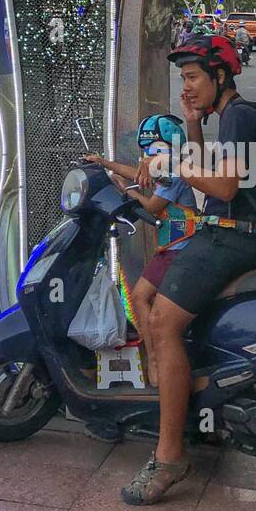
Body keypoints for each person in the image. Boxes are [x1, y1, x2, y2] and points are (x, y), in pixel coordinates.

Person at [109, 34, 256, 506]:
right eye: (184, 78)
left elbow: (221, 187)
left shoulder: (240, 116)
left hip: (233, 237)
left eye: (193, 78)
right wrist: (190, 124)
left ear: (220, 76)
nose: (187, 86)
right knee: (166, 310)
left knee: (160, 320)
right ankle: (194, 407)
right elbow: (208, 168)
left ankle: (169, 454)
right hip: (225, 231)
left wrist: (174, 161)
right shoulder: (230, 116)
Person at [83, 114, 199, 389]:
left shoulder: (175, 172)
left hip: (178, 250)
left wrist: (127, 192)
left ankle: (156, 359)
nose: (148, 158)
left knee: (139, 297)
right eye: (147, 152)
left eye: (154, 151)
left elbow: (152, 207)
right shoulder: (168, 167)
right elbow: (138, 175)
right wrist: (103, 163)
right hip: (171, 248)